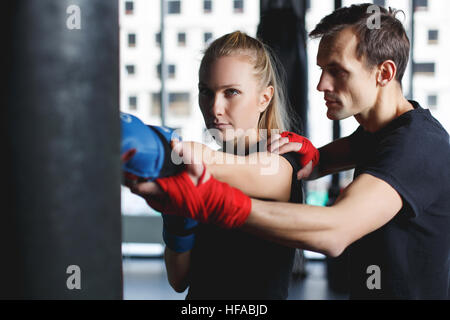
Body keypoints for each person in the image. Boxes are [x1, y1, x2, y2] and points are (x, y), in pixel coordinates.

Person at [130, 4, 450, 300]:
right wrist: (314, 157)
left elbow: (336, 230)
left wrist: (207, 192)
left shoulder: (416, 146)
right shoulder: (377, 135)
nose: (321, 85)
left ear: (384, 73)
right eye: (321, 69)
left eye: (337, 71)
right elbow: (315, 163)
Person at [134, 31, 317, 299]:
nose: (215, 107)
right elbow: (178, 280)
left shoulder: (281, 161)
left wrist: (168, 154)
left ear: (264, 98)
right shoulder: (203, 166)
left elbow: (238, 168)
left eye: (231, 92)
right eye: (206, 92)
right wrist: (177, 221)